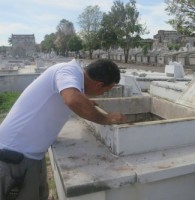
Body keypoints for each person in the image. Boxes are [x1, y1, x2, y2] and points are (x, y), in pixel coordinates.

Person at [0, 58, 126, 200]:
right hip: (15, 158)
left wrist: (86, 102)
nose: (103, 94)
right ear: (99, 85)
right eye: (106, 90)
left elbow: (71, 96)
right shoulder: (67, 70)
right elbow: (72, 99)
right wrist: (107, 119)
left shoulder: (72, 75)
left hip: (31, 155)